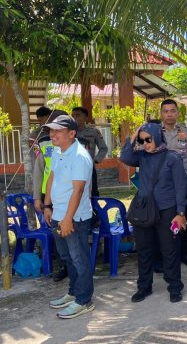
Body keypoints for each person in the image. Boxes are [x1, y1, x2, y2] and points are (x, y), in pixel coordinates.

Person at [120, 123, 187, 303]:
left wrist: (180, 212)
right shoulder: (141, 156)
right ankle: (144, 287)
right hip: (144, 210)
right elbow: (125, 157)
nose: (145, 144)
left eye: (148, 139)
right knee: (144, 250)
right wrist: (134, 136)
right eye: (142, 140)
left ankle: (175, 286)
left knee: (170, 250)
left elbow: (181, 186)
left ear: (157, 137)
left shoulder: (172, 158)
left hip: (168, 211)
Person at [42, 115, 95, 319]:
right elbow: (52, 177)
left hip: (74, 218)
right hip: (58, 213)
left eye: (57, 131)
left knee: (79, 258)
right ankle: (73, 292)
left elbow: (78, 190)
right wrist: (48, 205)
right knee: (66, 256)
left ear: (71, 134)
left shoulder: (80, 156)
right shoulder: (57, 151)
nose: (52, 134)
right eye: (51, 130)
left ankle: (84, 300)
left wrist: (67, 219)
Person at [32, 109, 70, 282]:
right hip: (50, 196)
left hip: (71, 195)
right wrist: (37, 198)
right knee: (57, 231)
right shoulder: (44, 144)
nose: (54, 131)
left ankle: (77, 266)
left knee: (74, 230)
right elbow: (38, 172)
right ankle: (64, 265)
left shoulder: (77, 145)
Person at [160, 99, 187, 266]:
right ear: (161, 113)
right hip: (162, 183)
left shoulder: (185, 131)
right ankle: (163, 257)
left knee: (182, 215)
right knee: (161, 218)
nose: (169, 114)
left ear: (177, 113)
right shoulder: (155, 132)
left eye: (172, 110)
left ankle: (184, 253)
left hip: (183, 180)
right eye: (166, 111)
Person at [71, 107, 108, 197]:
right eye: (73, 116)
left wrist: (95, 161)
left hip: (88, 168)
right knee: (73, 192)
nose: (74, 118)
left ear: (86, 117)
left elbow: (103, 148)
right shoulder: (68, 132)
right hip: (71, 168)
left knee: (92, 193)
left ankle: (93, 210)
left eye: (78, 115)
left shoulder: (94, 132)